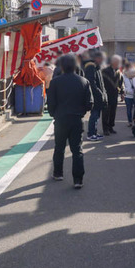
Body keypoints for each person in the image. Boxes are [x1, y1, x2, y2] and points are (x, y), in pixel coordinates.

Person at [47, 54, 93, 189]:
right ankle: (78, 180)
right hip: (77, 119)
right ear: (75, 66)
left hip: (60, 119)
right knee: (77, 149)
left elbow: (50, 103)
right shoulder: (83, 81)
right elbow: (89, 103)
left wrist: (54, 114)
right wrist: (82, 112)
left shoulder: (55, 82)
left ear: (61, 66)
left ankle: (58, 173)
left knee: (59, 147)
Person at [83, 50, 107, 140]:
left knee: (96, 115)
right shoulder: (91, 67)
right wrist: (99, 93)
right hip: (95, 96)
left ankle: (94, 132)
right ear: (97, 58)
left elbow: (101, 83)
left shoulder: (97, 67)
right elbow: (92, 83)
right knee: (94, 115)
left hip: (98, 96)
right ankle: (91, 133)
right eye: (101, 58)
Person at [102, 55, 125, 135]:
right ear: (113, 62)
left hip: (115, 95)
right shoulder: (104, 71)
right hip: (106, 94)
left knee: (113, 112)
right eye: (118, 62)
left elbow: (121, 83)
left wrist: (122, 92)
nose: (119, 64)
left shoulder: (118, 72)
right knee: (106, 112)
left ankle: (111, 127)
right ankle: (105, 129)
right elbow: (102, 83)